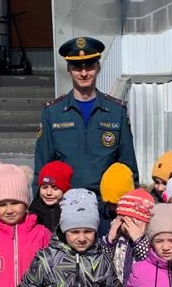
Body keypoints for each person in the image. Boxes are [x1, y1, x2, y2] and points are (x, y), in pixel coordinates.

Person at [33, 36, 138, 194]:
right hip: (65, 203)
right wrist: (39, 212)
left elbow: (128, 167)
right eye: (77, 67)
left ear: (98, 67)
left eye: (89, 66)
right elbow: (42, 169)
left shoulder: (117, 112)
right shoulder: (52, 113)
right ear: (68, 70)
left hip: (106, 205)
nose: (83, 73)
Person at [30, 160, 72, 232]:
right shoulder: (33, 212)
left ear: (65, 191)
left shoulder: (71, 212)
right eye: (44, 187)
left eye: (55, 188)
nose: (48, 193)